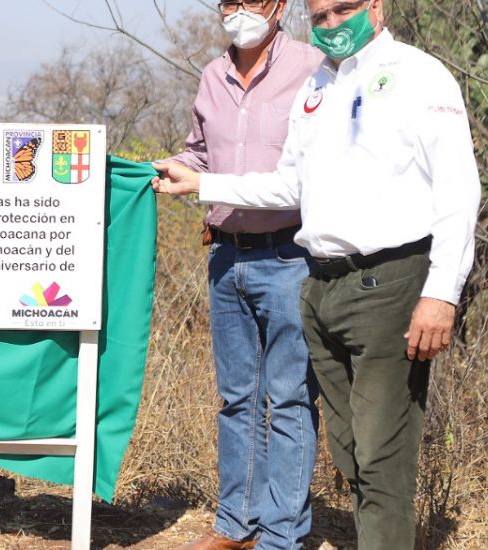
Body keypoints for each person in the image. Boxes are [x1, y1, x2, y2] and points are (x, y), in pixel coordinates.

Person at [154, 0, 481, 547]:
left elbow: (457, 189)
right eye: (322, 15)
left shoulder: (420, 75)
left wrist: (441, 293)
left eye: (344, 10)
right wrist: (201, 186)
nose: (331, 25)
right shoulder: (319, 88)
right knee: (350, 447)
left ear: (375, 7)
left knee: (380, 452)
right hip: (321, 284)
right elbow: (288, 186)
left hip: (389, 280)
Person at [163, 1, 324, 548]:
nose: (239, 12)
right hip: (226, 254)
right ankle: (237, 524)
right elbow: (200, 156)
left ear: (278, 6)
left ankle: (281, 533)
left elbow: (311, 172)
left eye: (252, 1)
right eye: (229, 2)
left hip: (289, 256)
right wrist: (177, 170)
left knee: (288, 398)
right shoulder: (212, 75)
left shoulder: (313, 66)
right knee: (236, 398)